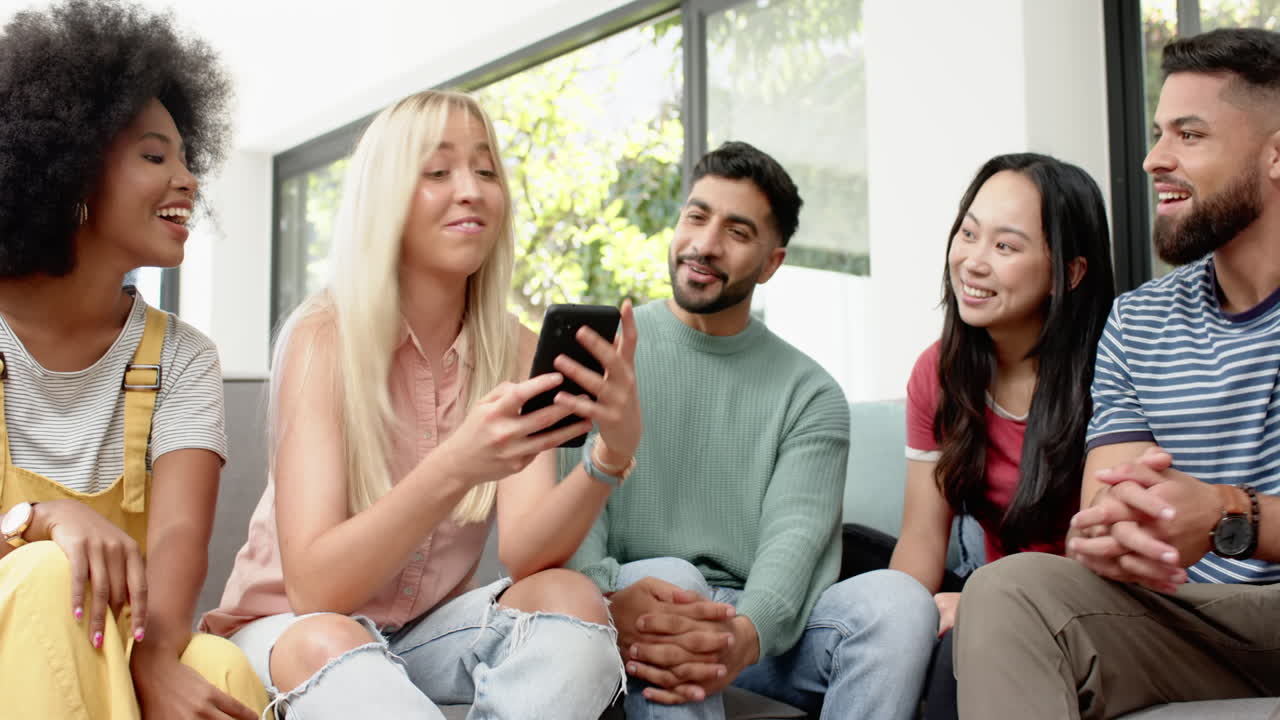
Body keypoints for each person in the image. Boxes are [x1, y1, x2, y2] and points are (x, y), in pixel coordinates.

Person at [202, 89, 638, 718]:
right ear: (386, 199)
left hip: (425, 636)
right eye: (438, 172)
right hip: (290, 629)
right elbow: (317, 588)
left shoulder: (515, 347)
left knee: (571, 599)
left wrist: (609, 454)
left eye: (486, 170)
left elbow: (528, 553)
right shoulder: (324, 336)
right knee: (334, 639)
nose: (472, 190)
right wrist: (456, 466)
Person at [955, 28, 1280, 719]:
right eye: (1159, 133)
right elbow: (1111, 504)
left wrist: (1230, 515)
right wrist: (1114, 535)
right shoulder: (1139, 318)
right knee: (1007, 591)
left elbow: (1219, 515)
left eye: (1189, 136)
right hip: (1201, 619)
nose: (1153, 159)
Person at [568, 140, 936, 720]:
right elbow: (576, 518)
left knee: (902, 602)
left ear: (772, 262)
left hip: (758, 628)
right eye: (696, 216)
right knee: (674, 581)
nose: (705, 244)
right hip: (637, 599)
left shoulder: (810, 394)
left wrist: (742, 634)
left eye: (737, 233)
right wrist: (604, 603)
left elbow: (794, 542)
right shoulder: (603, 350)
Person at [0, 0, 267, 717]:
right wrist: (42, 519)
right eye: (155, 156)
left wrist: (153, 663)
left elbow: (181, 537)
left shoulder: (180, 357)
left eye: (186, 157)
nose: (187, 180)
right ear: (68, 172)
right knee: (51, 575)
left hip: (111, 633)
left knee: (221, 671)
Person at [888, 153, 1115, 720]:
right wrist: (894, 618)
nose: (972, 262)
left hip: (1090, 607)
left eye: (1006, 247)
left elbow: (1105, 559)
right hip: (993, 597)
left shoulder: (1114, 371)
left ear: (1070, 272)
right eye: (968, 234)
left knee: (956, 662)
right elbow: (920, 543)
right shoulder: (938, 373)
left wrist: (988, 606)